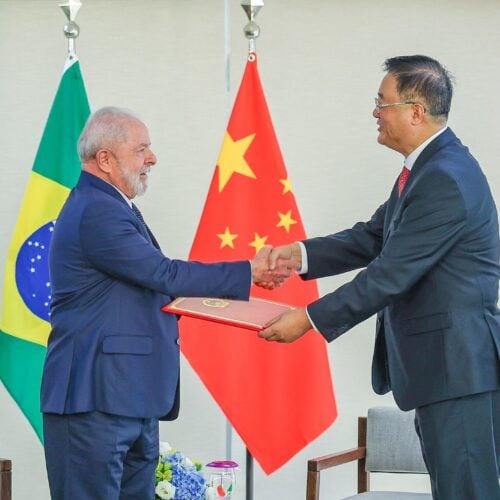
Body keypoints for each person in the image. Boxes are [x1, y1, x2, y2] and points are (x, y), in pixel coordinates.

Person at [259, 56, 500, 499]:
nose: (375, 112)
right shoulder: (427, 169)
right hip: (442, 369)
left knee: (467, 492)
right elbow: (373, 237)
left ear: (415, 111)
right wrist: (299, 255)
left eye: (382, 102)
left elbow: (390, 274)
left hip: (458, 368)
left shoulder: (446, 177)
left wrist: (309, 318)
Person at [41, 106, 289, 500]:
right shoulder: (96, 210)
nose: (152, 158)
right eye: (142, 149)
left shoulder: (115, 206)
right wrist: (248, 272)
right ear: (105, 159)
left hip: (129, 397)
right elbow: (164, 275)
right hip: (95, 399)